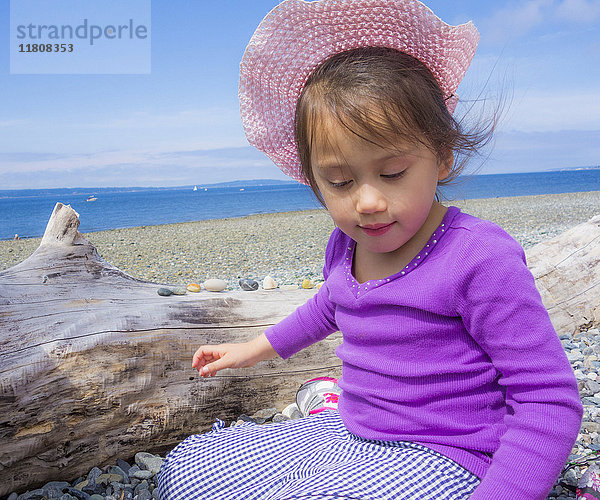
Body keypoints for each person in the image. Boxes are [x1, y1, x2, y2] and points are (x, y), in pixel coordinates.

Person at [157, 0, 583, 498]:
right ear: (313, 180)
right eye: (339, 181)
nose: (368, 202)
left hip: (447, 451)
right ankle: (325, 411)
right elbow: (331, 305)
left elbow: (547, 400)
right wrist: (252, 350)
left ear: (442, 155)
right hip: (354, 430)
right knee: (189, 466)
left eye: (393, 173)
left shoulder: (479, 258)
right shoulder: (345, 244)